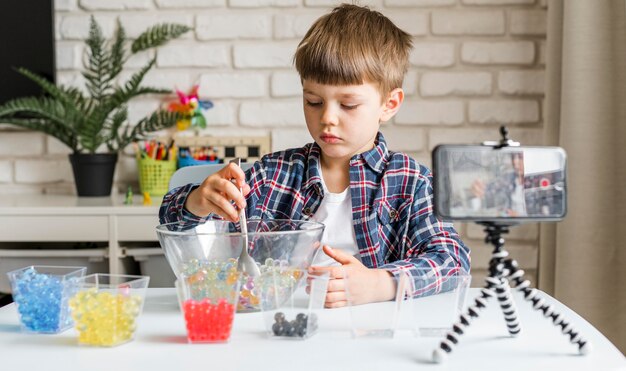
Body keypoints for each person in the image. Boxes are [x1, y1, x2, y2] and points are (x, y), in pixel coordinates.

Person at [159, 3, 470, 308]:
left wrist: (380, 284)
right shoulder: (270, 175)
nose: (328, 119)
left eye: (348, 105)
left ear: (388, 105)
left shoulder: (410, 183)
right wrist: (197, 201)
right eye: (313, 101)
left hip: (366, 334)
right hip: (274, 327)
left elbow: (452, 261)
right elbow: (175, 225)